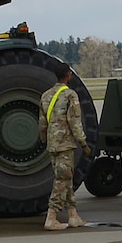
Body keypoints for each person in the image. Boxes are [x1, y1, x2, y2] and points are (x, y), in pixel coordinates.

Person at [38, 65, 89, 231]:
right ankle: (51, 217)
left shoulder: (46, 95)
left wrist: (46, 139)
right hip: (65, 144)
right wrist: (83, 143)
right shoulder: (69, 95)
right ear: (68, 75)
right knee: (62, 180)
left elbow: (42, 124)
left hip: (53, 145)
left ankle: (73, 216)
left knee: (66, 178)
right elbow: (75, 122)